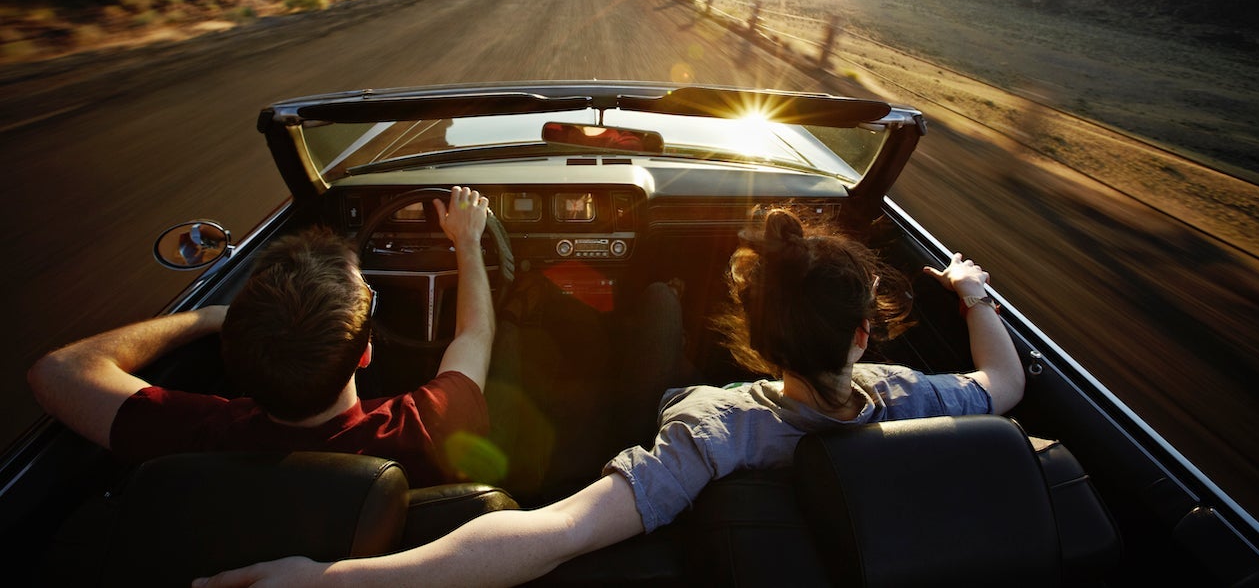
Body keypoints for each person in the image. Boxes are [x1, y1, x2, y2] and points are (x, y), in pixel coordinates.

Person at [194, 205, 1025, 588]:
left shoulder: (713, 425)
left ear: (752, 334)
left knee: (651, 307)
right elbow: (1006, 384)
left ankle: (546, 295)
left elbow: (552, 529)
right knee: (652, 300)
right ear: (863, 334)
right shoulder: (913, 395)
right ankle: (566, 296)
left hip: (651, 433)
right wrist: (974, 295)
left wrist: (334, 580)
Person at [27, 186, 496, 488]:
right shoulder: (426, 427)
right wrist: (467, 242)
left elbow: (57, 370)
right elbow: (475, 334)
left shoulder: (195, 436)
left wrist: (207, 317)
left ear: (236, 356)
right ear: (367, 354)